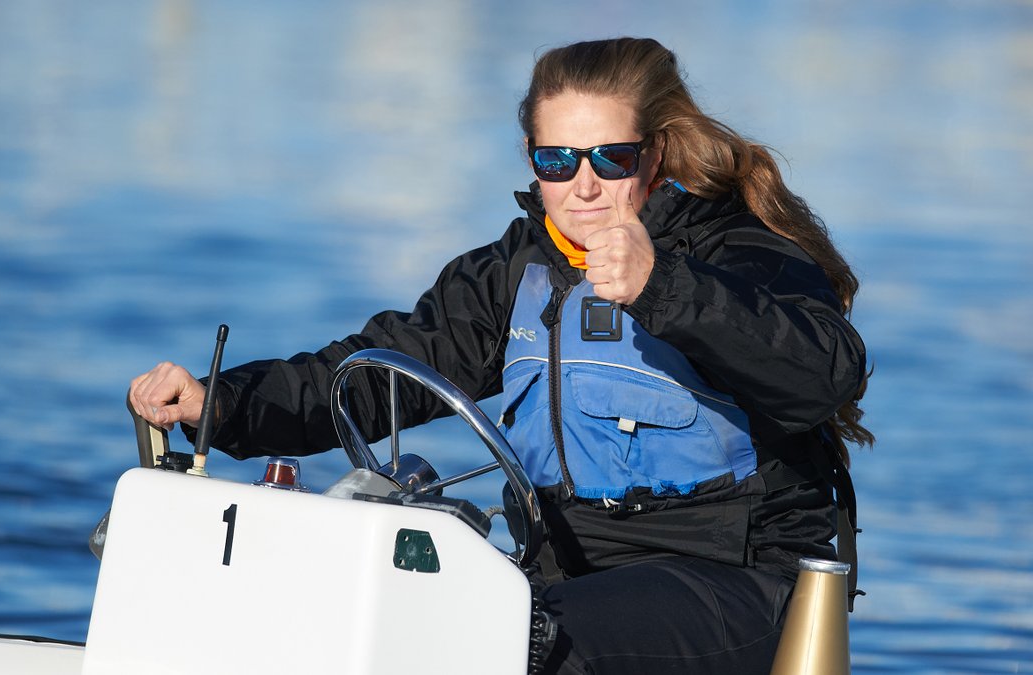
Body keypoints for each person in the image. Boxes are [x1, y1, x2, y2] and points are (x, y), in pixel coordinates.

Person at [129, 37, 872, 675]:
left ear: (655, 156)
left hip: (737, 578)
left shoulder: (733, 251)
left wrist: (663, 289)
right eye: (558, 159)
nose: (583, 185)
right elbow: (373, 370)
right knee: (390, 604)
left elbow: (823, 371)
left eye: (610, 158)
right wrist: (221, 403)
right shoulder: (512, 274)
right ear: (532, 158)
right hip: (564, 571)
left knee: (515, 637)